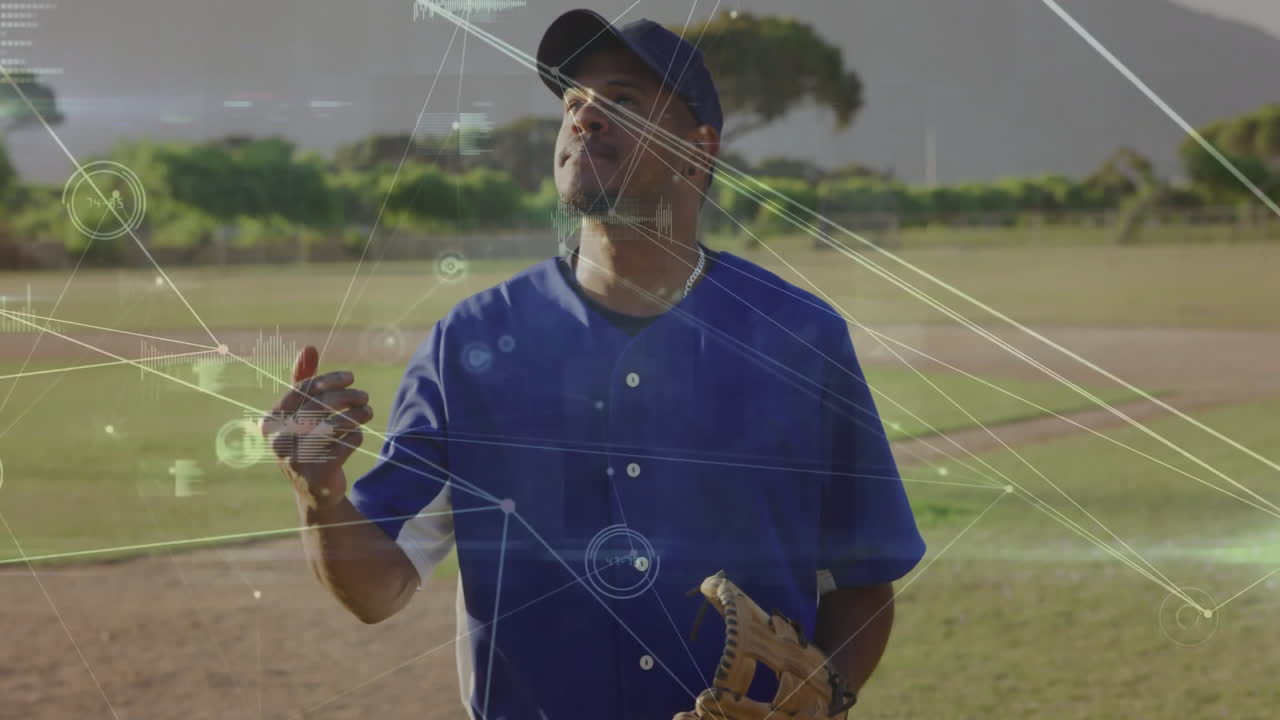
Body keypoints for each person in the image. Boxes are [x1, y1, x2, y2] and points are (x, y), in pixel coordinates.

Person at [264, 9, 926, 720]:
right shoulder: (471, 342)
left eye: (623, 103)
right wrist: (321, 494)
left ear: (697, 150)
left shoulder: (800, 336)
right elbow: (379, 588)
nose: (585, 118)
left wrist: (827, 696)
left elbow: (862, 580)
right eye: (574, 103)